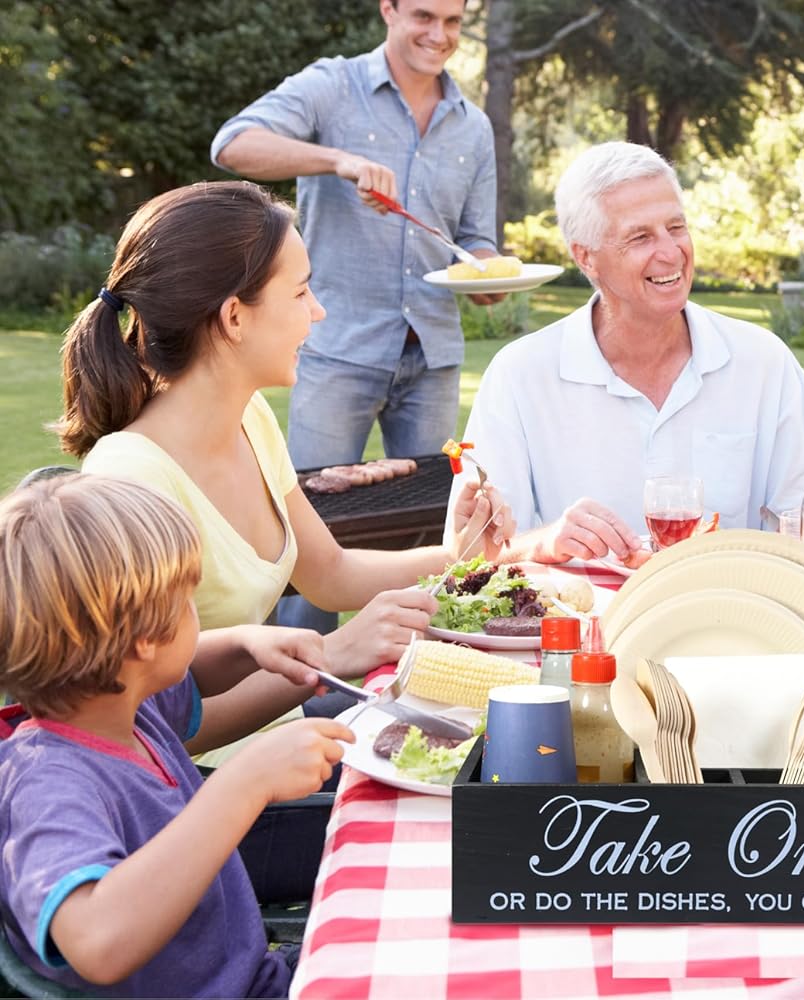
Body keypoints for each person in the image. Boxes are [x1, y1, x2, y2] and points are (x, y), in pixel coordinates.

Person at [55, 181, 512, 760]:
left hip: (284, 746)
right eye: (300, 292)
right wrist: (332, 656)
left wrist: (457, 556)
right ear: (234, 317)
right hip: (206, 790)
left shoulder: (249, 419)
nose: (317, 311)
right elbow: (153, 728)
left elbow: (331, 574)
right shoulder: (133, 480)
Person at [0, 474, 355, 996]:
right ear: (145, 639)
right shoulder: (46, 786)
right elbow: (95, 941)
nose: (196, 615)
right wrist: (242, 785)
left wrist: (246, 644)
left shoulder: (121, 708)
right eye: (188, 599)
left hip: (259, 978)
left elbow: (192, 668)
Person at [212, 0, 502, 632]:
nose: (440, 35)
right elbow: (232, 145)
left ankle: (415, 672)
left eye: (453, 22)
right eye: (424, 16)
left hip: (432, 353)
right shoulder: (331, 86)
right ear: (389, 9)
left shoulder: (472, 126)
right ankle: (300, 674)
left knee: (432, 528)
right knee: (307, 531)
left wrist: (487, 273)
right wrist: (337, 160)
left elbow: (477, 238)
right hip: (335, 345)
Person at [448, 141, 804, 564]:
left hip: (729, 605)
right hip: (576, 608)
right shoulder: (519, 375)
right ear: (586, 257)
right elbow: (473, 553)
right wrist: (545, 542)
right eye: (640, 237)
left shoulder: (764, 362)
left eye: (676, 227)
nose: (670, 252)